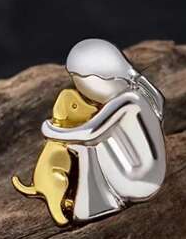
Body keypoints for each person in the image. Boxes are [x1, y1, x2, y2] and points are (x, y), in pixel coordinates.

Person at [42, 39, 166, 222]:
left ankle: (96, 205)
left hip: (141, 180)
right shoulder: (133, 94)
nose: (81, 90)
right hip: (137, 168)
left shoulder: (127, 100)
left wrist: (50, 129)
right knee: (84, 142)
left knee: (86, 145)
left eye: (81, 82)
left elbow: (90, 133)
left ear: (99, 79)